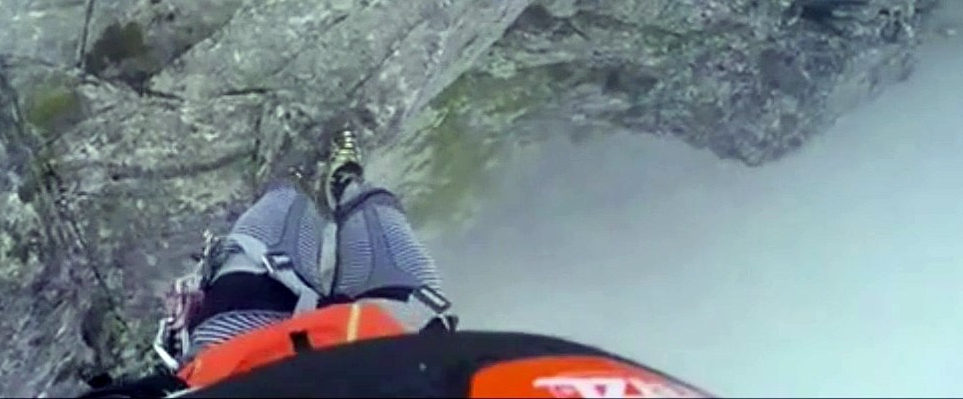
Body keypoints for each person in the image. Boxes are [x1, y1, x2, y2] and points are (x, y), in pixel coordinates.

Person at [82, 128, 710, 399]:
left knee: (271, 226)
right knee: (375, 221)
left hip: (240, 351)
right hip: (378, 333)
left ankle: (304, 182)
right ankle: (343, 179)